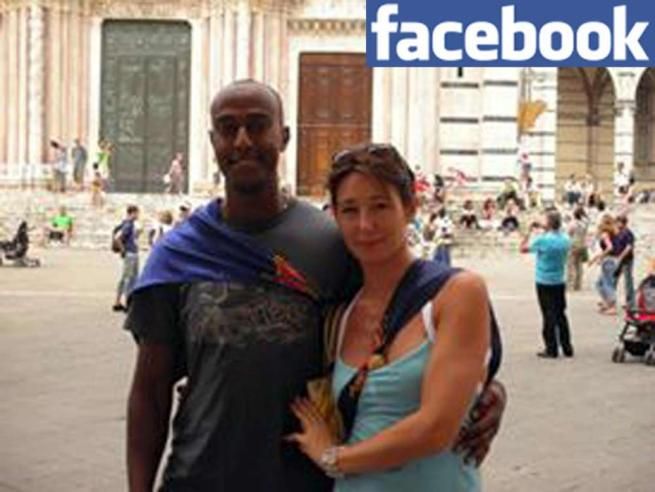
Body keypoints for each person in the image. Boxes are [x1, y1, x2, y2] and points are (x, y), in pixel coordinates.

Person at [124, 80, 506, 492]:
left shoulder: (331, 244)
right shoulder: (179, 254)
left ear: (284, 136)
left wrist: (483, 388)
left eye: (258, 125)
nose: (243, 141)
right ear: (212, 140)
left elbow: (407, 315)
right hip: (201, 475)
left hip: (305, 479)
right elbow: (150, 390)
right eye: (228, 128)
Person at [286, 143, 501, 491]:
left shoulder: (458, 293)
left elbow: (436, 429)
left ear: (411, 207)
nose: (365, 224)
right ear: (334, 217)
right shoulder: (340, 313)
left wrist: (334, 458)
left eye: (380, 206)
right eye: (350, 210)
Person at [520, 209, 574, 358]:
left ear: (549, 223)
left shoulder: (542, 240)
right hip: (559, 279)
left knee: (548, 314)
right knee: (561, 314)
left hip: (544, 280)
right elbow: (557, 234)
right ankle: (567, 346)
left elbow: (523, 248)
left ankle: (551, 348)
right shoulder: (565, 239)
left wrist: (529, 233)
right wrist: (547, 228)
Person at [588, 214, 620, 315]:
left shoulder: (605, 234)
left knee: (607, 284)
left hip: (608, 261)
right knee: (600, 283)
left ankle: (612, 306)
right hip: (613, 260)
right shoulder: (614, 233)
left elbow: (609, 247)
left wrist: (600, 257)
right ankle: (607, 302)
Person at [113, 205, 140, 312]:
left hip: (130, 252)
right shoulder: (128, 224)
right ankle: (127, 302)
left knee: (125, 278)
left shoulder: (127, 223)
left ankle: (118, 301)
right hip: (130, 253)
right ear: (132, 213)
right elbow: (118, 238)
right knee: (130, 278)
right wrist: (123, 250)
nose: (138, 215)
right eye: (137, 213)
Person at [614, 215, 636, 310]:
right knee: (613, 279)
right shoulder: (619, 232)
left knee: (628, 281)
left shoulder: (628, 233)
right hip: (619, 259)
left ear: (622, 223)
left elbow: (629, 247)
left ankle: (630, 303)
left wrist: (620, 256)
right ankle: (610, 299)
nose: (616, 224)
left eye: (617, 222)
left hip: (627, 260)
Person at [566, 206, 589, 291]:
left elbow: (569, 234)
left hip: (573, 245)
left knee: (570, 265)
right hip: (582, 245)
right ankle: (578, 284)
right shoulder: (584, 224)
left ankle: (570, 284)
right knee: (579, 265)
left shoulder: (572, 223)